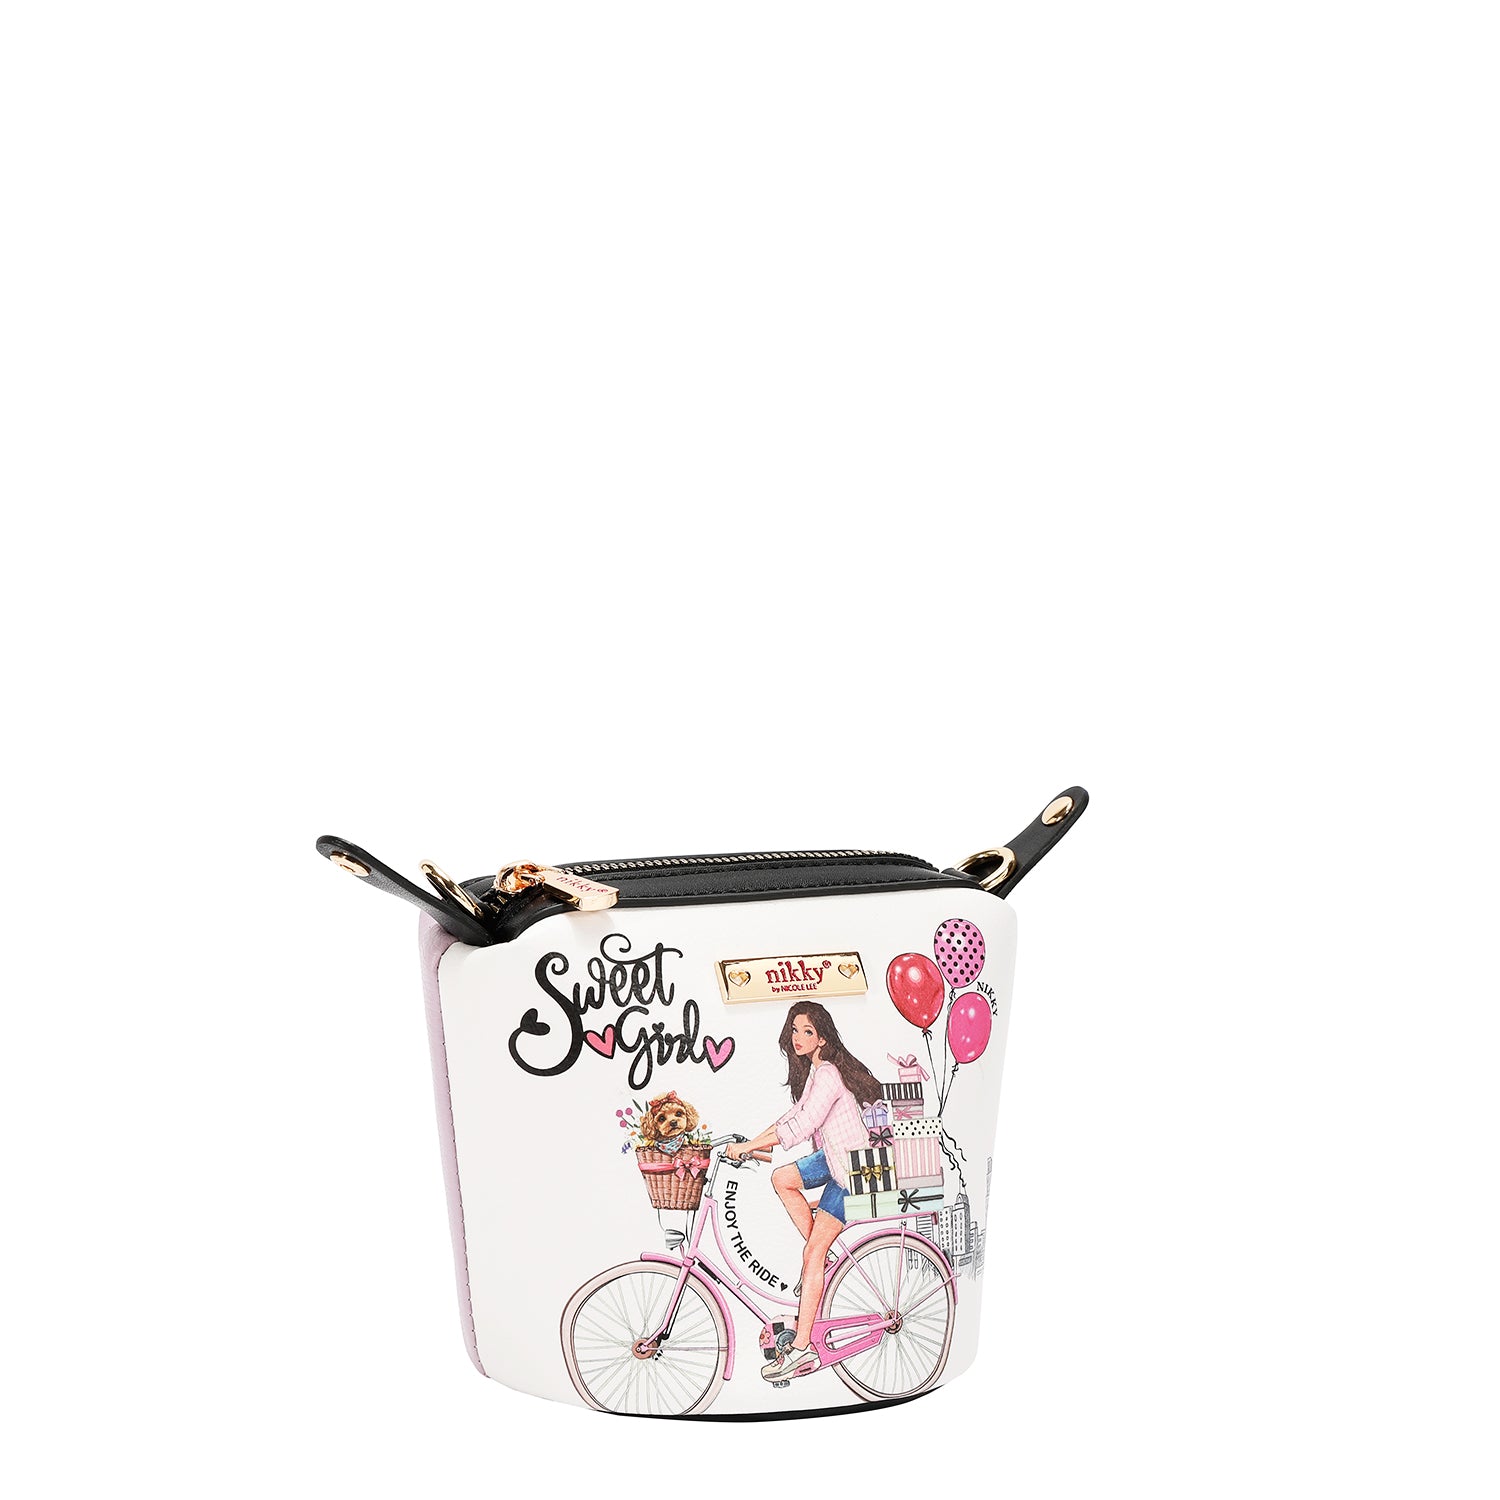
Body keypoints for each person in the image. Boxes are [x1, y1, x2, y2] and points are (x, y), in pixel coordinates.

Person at [726, 1002, 883, 1381]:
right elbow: (791, 1118)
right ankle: (821, 1261)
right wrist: (751, 1142)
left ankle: (801, 1348)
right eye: (795, 1030)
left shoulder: (828, 1074)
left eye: (807, 1031)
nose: (798, 1038)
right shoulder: (817, 1071)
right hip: (836, 1159)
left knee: (812, 1254)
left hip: (856, 1171)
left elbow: (804, 1124)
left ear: (823, 1038)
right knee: (782, 1178)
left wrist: (750, 1146)